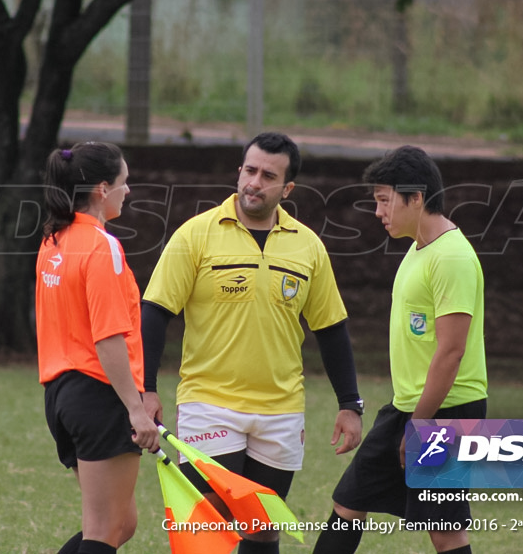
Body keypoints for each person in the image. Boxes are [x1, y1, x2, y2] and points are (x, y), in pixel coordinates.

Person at [141, 132, 364, 554]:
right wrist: (146, 389)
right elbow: (154, 312)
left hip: (280, 411)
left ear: (287, 188)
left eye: (267, 175)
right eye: (249, 170)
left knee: (261, 529)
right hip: (208, 404)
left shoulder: (308, 247)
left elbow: (331, 329)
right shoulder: (195, 235)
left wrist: (350, 404)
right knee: (211, 523)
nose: (254, 182)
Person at [312, 145, 487, 554]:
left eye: (384, 200)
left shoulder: (452, 257)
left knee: (445, 532)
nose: (378, 212)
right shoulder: (418, 248)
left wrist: (420, 427)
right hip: (407, 407)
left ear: (417, 198)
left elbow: (451, 353)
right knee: (348, 502)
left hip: (447, 411)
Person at [35, 142, 159, 554]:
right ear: (102, 189)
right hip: (98, 396)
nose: (130, 190)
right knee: (104, 531)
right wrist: (136, 409)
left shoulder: (54, 240)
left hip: (61, 396)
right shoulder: (102, 246)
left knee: (121, 524)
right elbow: (107, 339)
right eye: (125, 182)